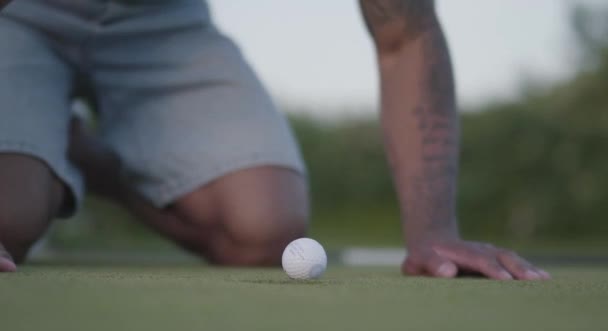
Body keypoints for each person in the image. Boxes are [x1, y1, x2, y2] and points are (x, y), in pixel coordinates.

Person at [0, 0, 550, 280]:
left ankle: (75, 152)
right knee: (11, 219)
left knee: (263, 229)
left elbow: (404, 33)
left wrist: (433, 232)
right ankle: (34, 169)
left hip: (163, 21)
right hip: (18, 16)